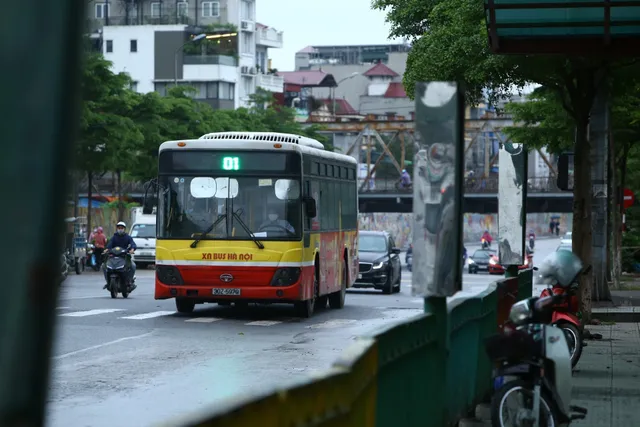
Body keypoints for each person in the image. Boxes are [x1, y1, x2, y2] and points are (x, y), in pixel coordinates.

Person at [103, 221, 137, 291]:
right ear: (117, 228)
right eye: (119, 228)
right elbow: (109, 245)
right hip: (113, 257)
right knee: (104, 266)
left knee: (133, 266)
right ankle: (108, 282)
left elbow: (133, 244)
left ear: (124, 229)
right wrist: (106, 250)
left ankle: (129, 281)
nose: (120, 229)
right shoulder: (114, 237)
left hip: (124, 257)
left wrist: (132, 249)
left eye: (121, 228)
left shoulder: (128, 237)